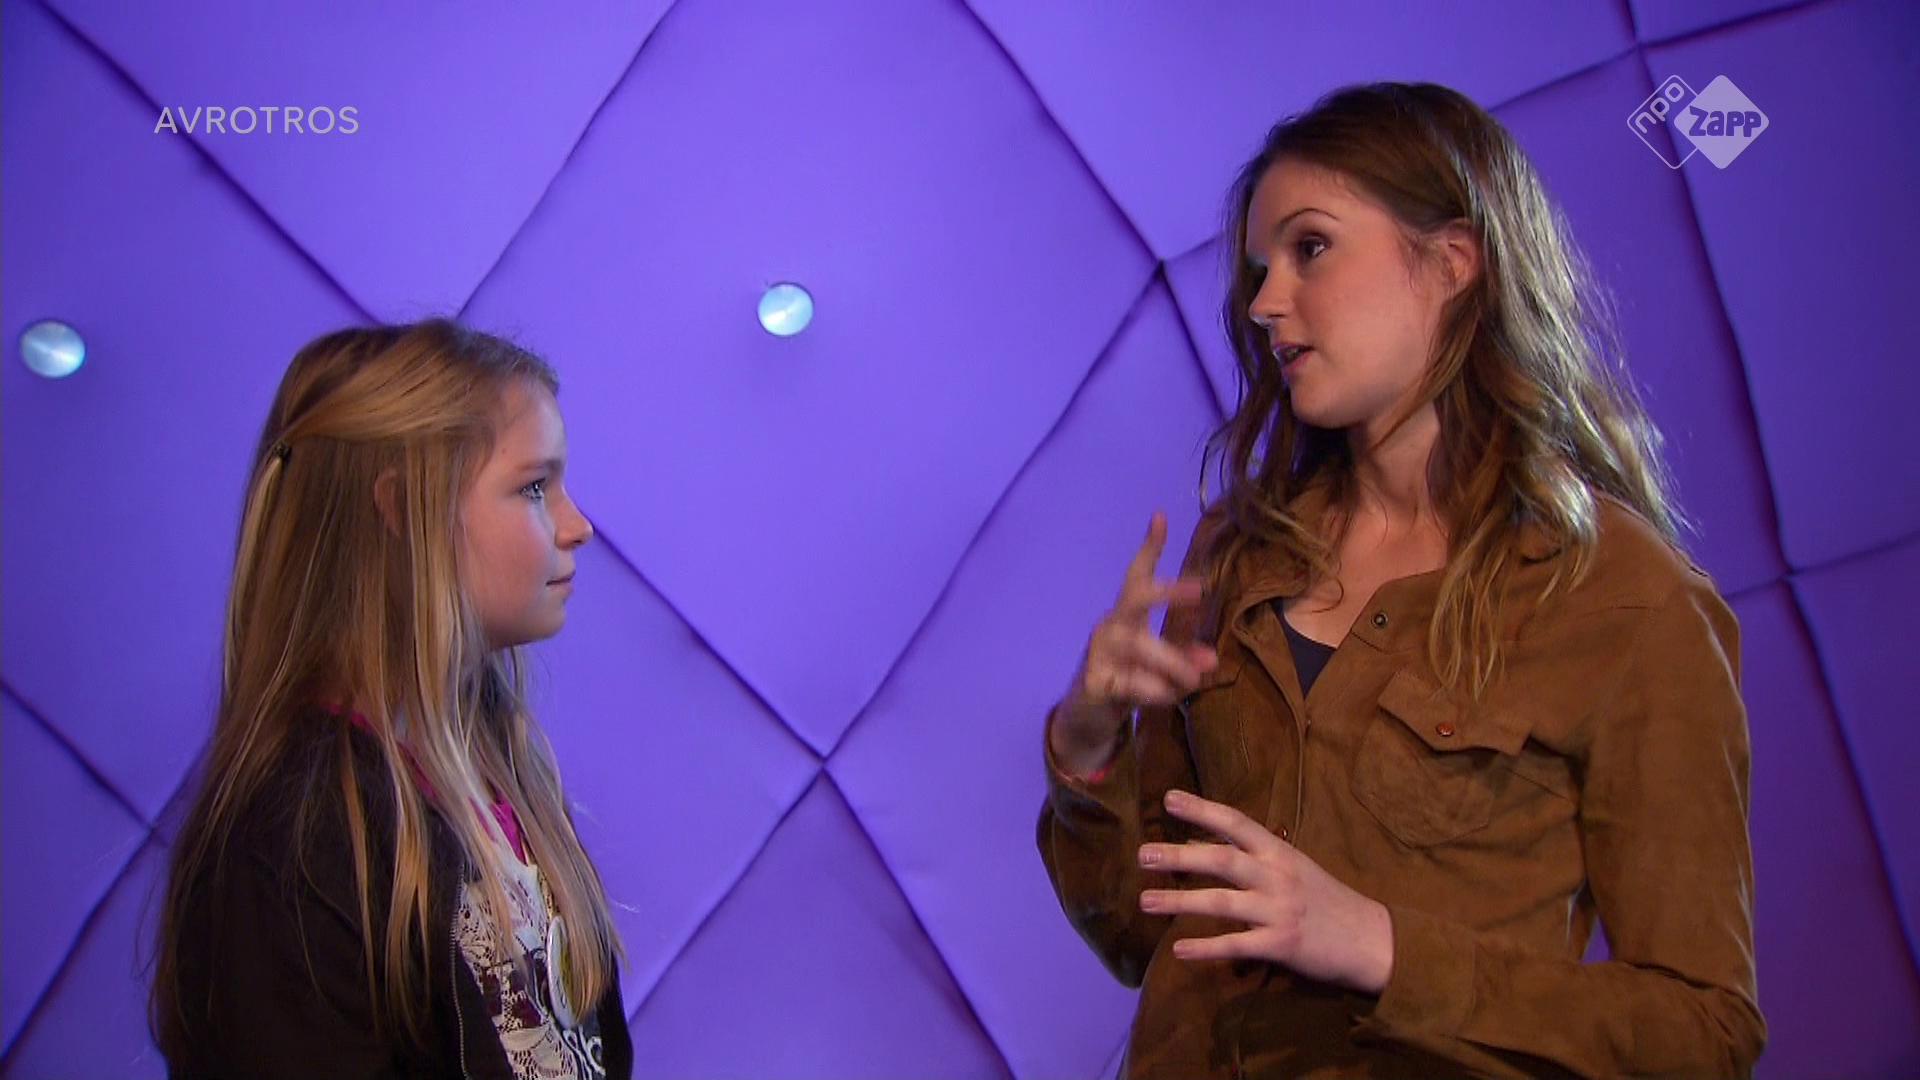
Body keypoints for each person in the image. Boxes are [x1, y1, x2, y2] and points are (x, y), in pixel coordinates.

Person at [1038, 82, 1765, 1078]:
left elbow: (1702, 1033)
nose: (1265, 304)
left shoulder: (1627, 601)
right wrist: (1087, 746)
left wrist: (1381, 947)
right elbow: (1140, 935)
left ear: (1453, 264)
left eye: (1311, 248)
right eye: (1258, 270)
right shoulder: (1239, 549)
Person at [151, 319, 632, 1079]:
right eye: (534, 487)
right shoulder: (293, 845)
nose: (577, 526)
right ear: (405, 509)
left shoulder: (506, 772)